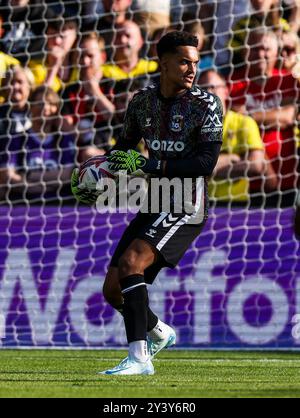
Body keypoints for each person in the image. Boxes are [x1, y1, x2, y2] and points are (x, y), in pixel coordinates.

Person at [72, 31, 223, 375]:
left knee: (131, 263)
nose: (191, 69)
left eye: (195, 63)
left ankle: (140, 359)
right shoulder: (142, 102)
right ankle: (158, 331)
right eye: (184, 61)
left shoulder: (206, 105)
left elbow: (205, 164)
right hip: (155, 199)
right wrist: (99, 171)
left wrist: (148, 164)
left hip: (187, 203)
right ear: (163, 62)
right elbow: (123, 148)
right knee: (113, 291)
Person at [229, 29, 299, 205]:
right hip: (247, 181)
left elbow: (288, 117)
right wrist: (273, 116)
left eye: (266, 49)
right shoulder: (232, 83)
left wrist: (250, 116)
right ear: (245, 51)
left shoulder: (287, 80)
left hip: (288, 177)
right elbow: (237, 122)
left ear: (276, 52)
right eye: (254, 48)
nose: (260, 53)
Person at [0, 86, 98, 203]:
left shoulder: (64, 140)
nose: (46, 108)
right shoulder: (16, 139)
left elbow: (67, 175)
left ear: (57, 109)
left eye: (51, 104)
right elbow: (7, 177)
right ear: (30, 106)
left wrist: (28, 175)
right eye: (40, 103)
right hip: (24, 204)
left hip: (59, 205)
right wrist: (36, 187)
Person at [199, 70, 268, 203]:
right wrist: (232, 159)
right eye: (203, 89)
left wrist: (209, 169)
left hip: (236, 205)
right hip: (198, 204)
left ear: (226, 91)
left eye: (213, 87)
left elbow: (256, 165)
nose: (208, 92)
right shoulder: (189, 127)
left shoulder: (244, 122)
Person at [62, 32, 115, 152]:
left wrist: (94, 90)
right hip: (81, 154)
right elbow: (65, 126)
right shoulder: (68, 92)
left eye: (90, 56)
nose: (85, 61)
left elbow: (117, 118)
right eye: (81, 56)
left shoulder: (114, 86)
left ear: (102, 57)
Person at [28, 14, 79, 93]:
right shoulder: (35, 67)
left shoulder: (81, 68)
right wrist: (53, 69)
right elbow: (38, 101)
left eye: (62, 37)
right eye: (53, 35)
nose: (57, 41)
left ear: (74, 37)